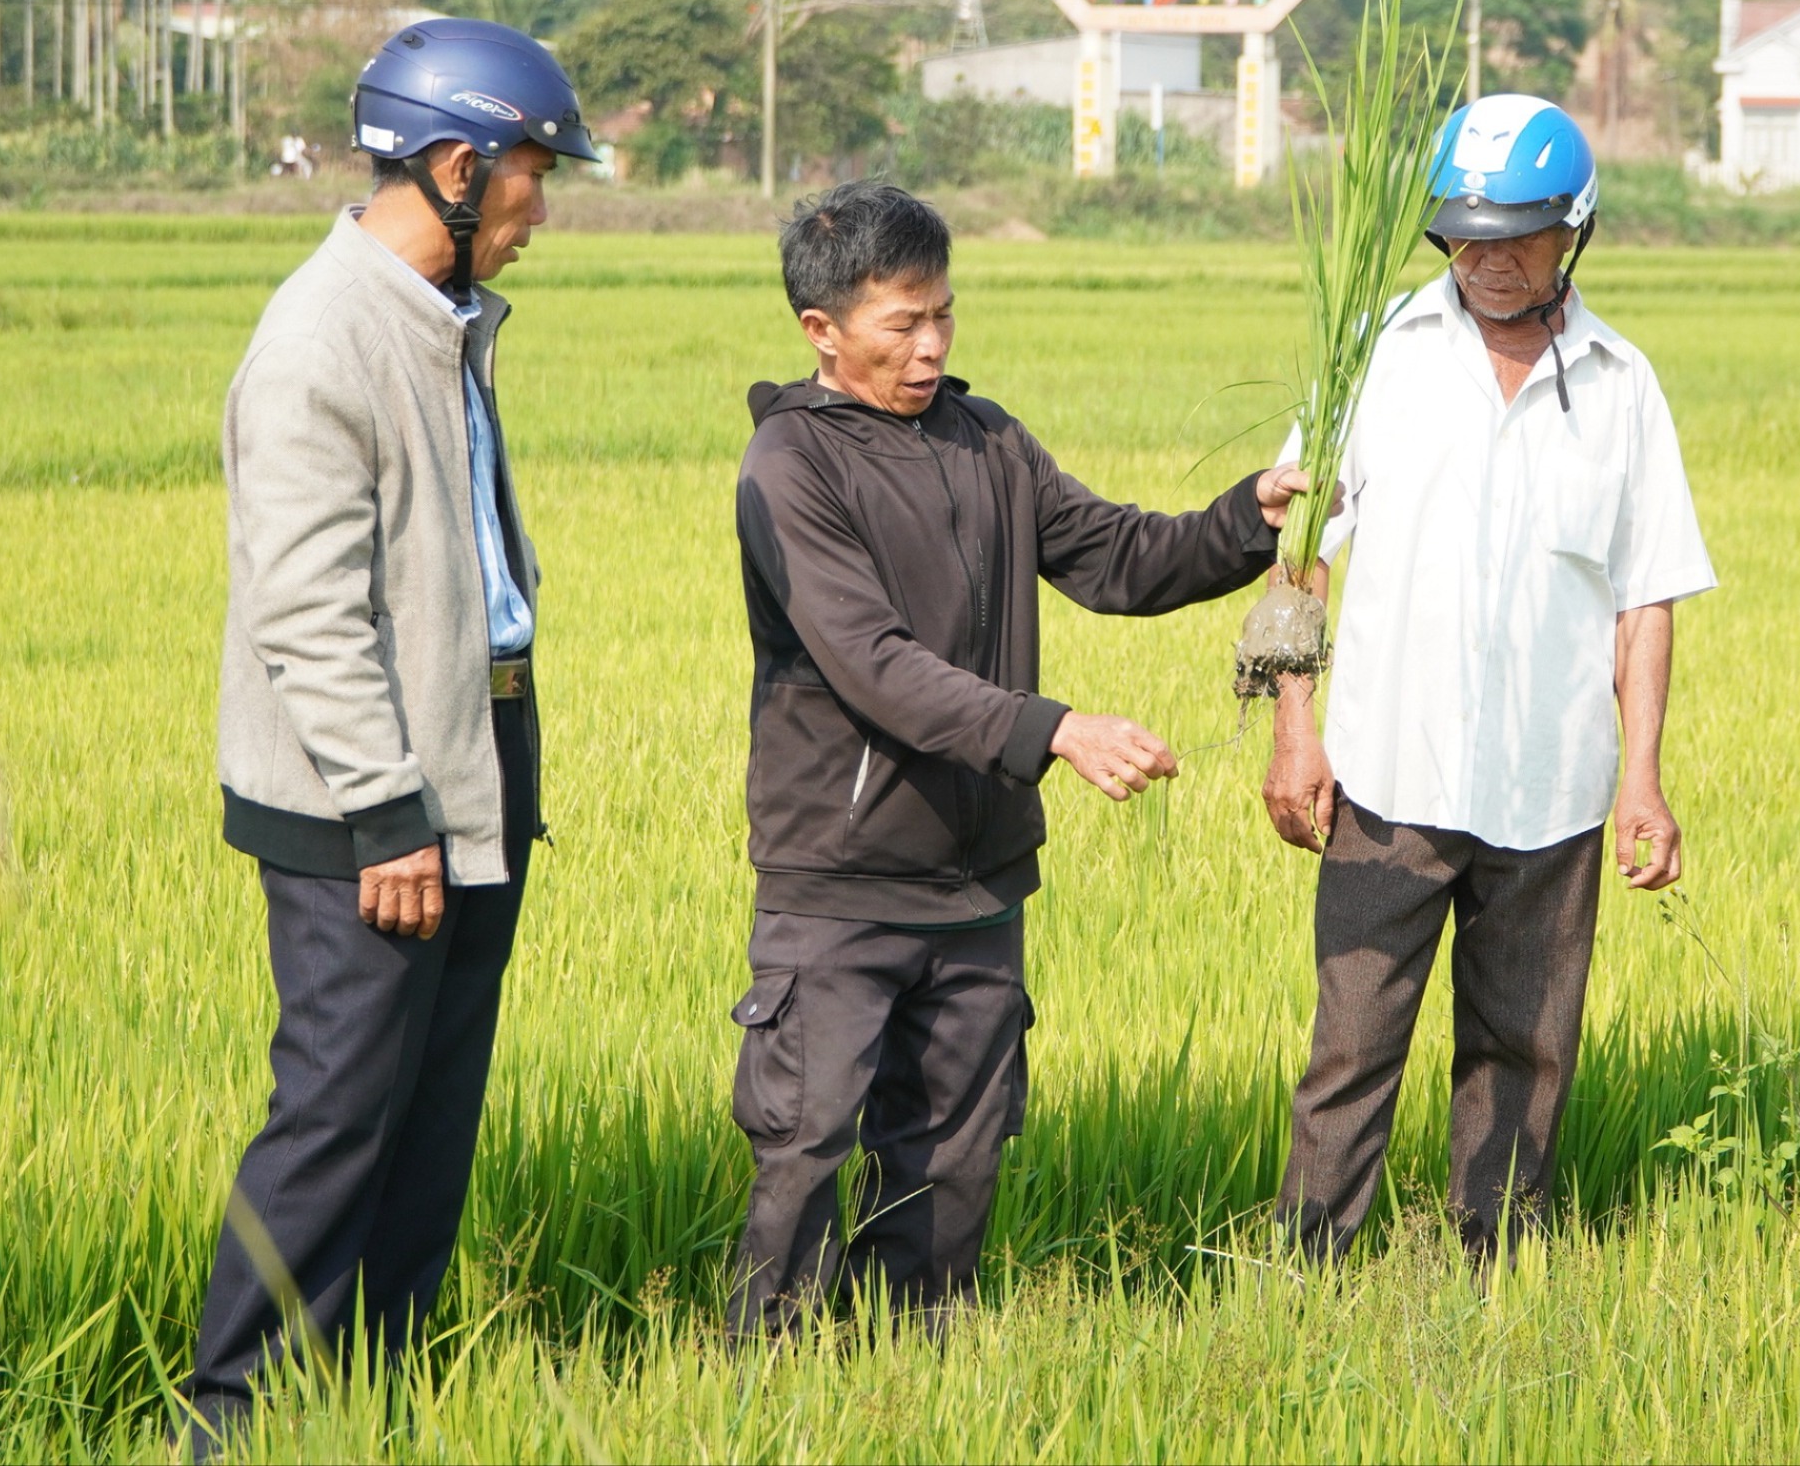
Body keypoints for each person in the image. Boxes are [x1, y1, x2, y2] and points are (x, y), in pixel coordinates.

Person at [728, 179, 1310, 1333]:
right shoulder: (792, 469)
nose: (931, 344)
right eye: (902, 322)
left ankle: (909, 1373)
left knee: (954, 1159)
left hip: (977, 879)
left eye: (943, 313)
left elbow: (1119, 557)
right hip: (839, 886)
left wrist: (1251, 515)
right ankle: (763, 1386)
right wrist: (1055, 731)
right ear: (822, 329)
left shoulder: (986, 439)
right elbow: (875, 664)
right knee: (804, 1151)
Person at [185, 18, 598, 1451]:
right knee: (337, 1124)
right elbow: (307, 611)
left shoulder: (444, 322)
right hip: (370, 809)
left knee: (429, 1128)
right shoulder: (323, 338)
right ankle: (233, 1423)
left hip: (472, 765)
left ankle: (370, 1408)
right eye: (538, 174)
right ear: (456, 163)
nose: (546, 209)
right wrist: (386, 813)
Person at [1261, 94, 1715, 1264]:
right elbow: (1297, 551)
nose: (1489, 258)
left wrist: (1643, 782)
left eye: (1516, 232)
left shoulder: (1620, 386)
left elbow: (1643, 598)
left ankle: (1495, 1273)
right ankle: (1307, 1270)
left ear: (1574, 228)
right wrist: (1294, 732)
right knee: (1351, 1046)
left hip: (1549, 789)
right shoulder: (1375, 356)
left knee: (1525, 1050)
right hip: (1383, 771)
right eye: (1466, 232)